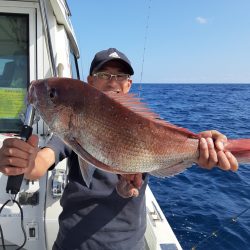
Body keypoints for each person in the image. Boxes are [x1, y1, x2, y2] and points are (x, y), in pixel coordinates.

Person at [0, 48, 238, 250]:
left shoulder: (145, 125)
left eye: (121, 75)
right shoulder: (73, 124)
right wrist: (26, 162)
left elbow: (154, 161)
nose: (113, 81)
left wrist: (201, 147)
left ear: (129, 85)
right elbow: (41, 162)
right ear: (90, 81)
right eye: (104, 74)